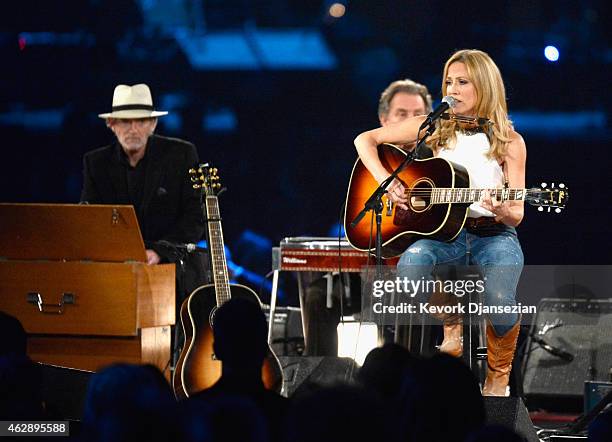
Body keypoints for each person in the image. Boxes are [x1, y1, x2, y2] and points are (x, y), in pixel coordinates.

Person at [354, 49, 526, 396]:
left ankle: (499, 373)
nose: (453, 89)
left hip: (494, 236)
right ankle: (452, 325)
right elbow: (365, 140)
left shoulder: (510, 142)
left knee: (498, 297)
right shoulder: (434, 128)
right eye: (449, 81)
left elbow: (517, 213)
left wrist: (501, 208)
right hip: (445, 235)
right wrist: (388, 181)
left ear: (485, 86)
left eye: (462, 82)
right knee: (411, 265)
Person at [80, 83, 205, 266]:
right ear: (111, 124)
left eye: (141, 121)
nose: (133, 129)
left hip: (171, 267)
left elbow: (195, 216)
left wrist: (159, 252)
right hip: (115, 267)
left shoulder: (181, 155)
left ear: (153, 124)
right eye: (125, 121)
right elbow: (89, 219)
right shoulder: (96, 163)